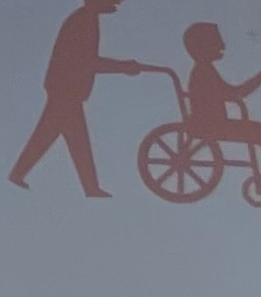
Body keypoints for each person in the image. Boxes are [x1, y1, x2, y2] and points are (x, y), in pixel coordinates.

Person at [9, 0, 163, 198]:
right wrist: (123, 67)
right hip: (66, 88)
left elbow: (86, 61)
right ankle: (89, 188)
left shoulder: (85, 19)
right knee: (68, 137)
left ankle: (86, 187)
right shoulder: (83, 21)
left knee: (59, 135)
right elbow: (87, 61)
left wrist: (123, 66)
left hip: (66, 88)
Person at [171, 21, 261, 197]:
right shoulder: (204, 72)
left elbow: (231, 94)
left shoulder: (205, 70)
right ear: (202, 47)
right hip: (214, 125)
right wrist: (260, 77)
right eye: (216, 43)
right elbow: (235, 93)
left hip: (216, 123)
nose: (222, 47)